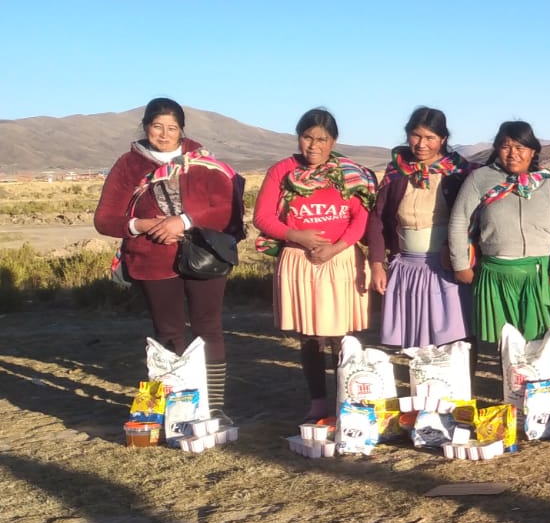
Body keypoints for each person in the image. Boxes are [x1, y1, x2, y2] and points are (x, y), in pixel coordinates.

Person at [94, 97, 244, 410]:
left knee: (208, 329)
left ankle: (213, 408)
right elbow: (105, 219)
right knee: (167, 333)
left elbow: (226, 208)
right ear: (145, 127)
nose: (164, 134)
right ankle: (173, 407)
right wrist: (141, 224)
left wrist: (184, 221)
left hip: (205, 256)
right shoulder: (129, 165)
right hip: (153, 260)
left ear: (182, 130)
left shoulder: (203, 162)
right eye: (157, 126)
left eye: (171, 128)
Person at [253, 108, 378, 420]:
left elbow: (361, 217)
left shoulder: (350, 173)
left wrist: (335, 248)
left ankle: (346, 400)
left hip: (341, 259)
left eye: (322, 139)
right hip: (300, 260)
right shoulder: (281, 171)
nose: (313, 145)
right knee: (309, 335)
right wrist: (296, 235)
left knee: (342, 334)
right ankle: (318, 403)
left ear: (333, 141)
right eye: (307, 137)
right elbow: (262, 217)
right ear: (298, 137)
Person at [448, 121, 550, 389]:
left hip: (540, 273)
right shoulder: (480, 179)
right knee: (505, 342)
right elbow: (459, 221)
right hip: (497, 273)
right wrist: (460, 264)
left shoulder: (549, 183)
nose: (513, 153)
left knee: (540, 341)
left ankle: (541, 395)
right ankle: (512, 395)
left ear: (532, 151)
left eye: (520, 147)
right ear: (497, 148)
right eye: (506, 146)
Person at [366, 108, 474, 351]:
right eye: (416, 136)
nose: (422, 144)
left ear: (443, 139)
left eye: (430, 137)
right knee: (414, 338)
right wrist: (376, 264)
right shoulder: (397, 172)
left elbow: (474, 218)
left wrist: (454, 250)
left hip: (448, 266)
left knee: (456, 337)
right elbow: (378, 219)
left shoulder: (460, 173)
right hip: (407, 267)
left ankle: (460, 375)